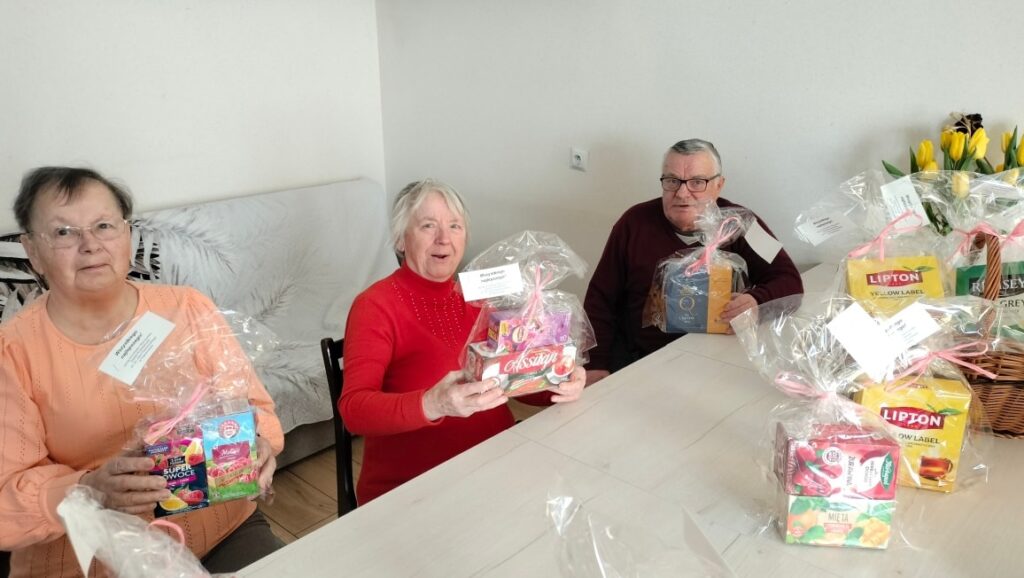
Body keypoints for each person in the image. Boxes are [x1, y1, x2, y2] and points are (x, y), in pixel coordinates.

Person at [0, 167, 285, 577]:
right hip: (92, 562)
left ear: (128, 235)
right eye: (64, 232)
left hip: (222, 534)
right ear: (32, 251)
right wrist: (87, 490)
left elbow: (258, 411)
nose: (90, 245)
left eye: (104, 226)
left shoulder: (187, 307)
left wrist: (257, 444)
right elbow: (5, 500)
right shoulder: (12, 351)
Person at [340, 179, 586, 505]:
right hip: (415, 489)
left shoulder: (480, 295)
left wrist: (558, 379)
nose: (444, 238)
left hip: (497, 466)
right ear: (400, 239)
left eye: (454, 226)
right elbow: (354, 410)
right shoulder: (375, 305)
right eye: (428, 225)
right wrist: (433, 403)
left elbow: (513, 379)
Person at [584, 139, 803, 383]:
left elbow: (789, 279)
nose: (682, 193)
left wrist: (756, 301)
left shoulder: (742, 223)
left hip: (720, 362)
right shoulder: (633, 223)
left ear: (719, 185)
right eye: (672, 180)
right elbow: (600, 298)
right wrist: (596, 364)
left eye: (697, 182)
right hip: (642, 360)